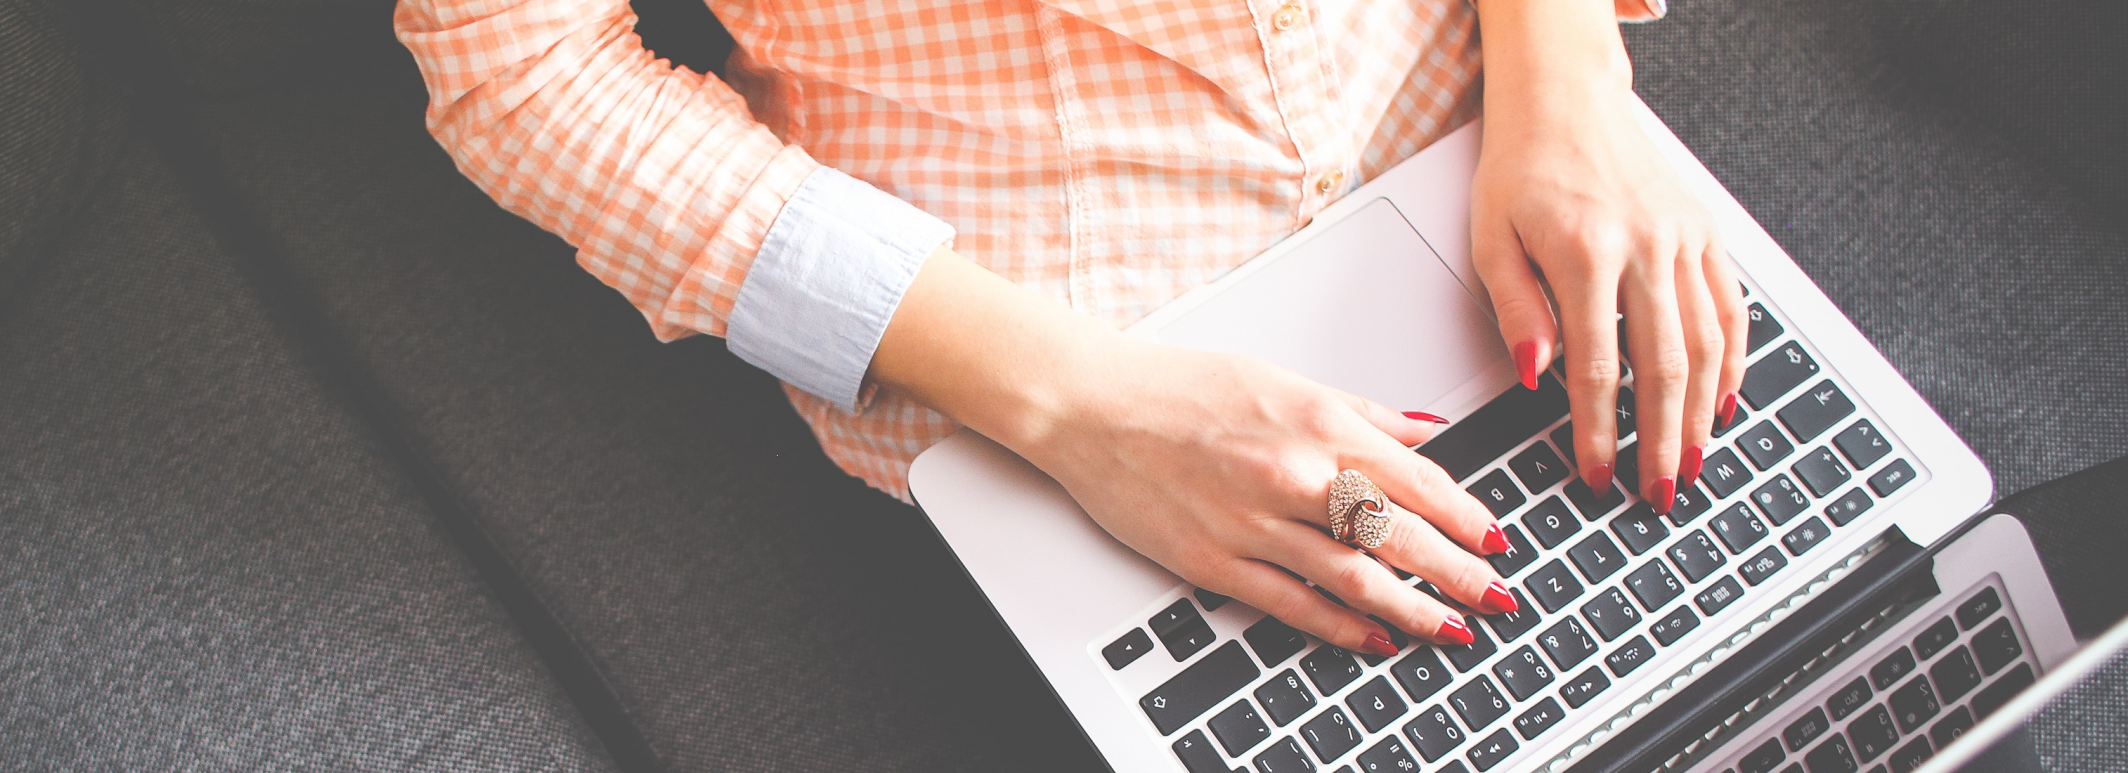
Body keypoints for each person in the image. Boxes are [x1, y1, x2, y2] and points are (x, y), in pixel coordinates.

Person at [395, 0, 1744, 658]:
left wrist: (1570, 75)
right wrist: (1079, 403)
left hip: (1502, 142)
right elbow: (523, 68)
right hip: (1088, 388)